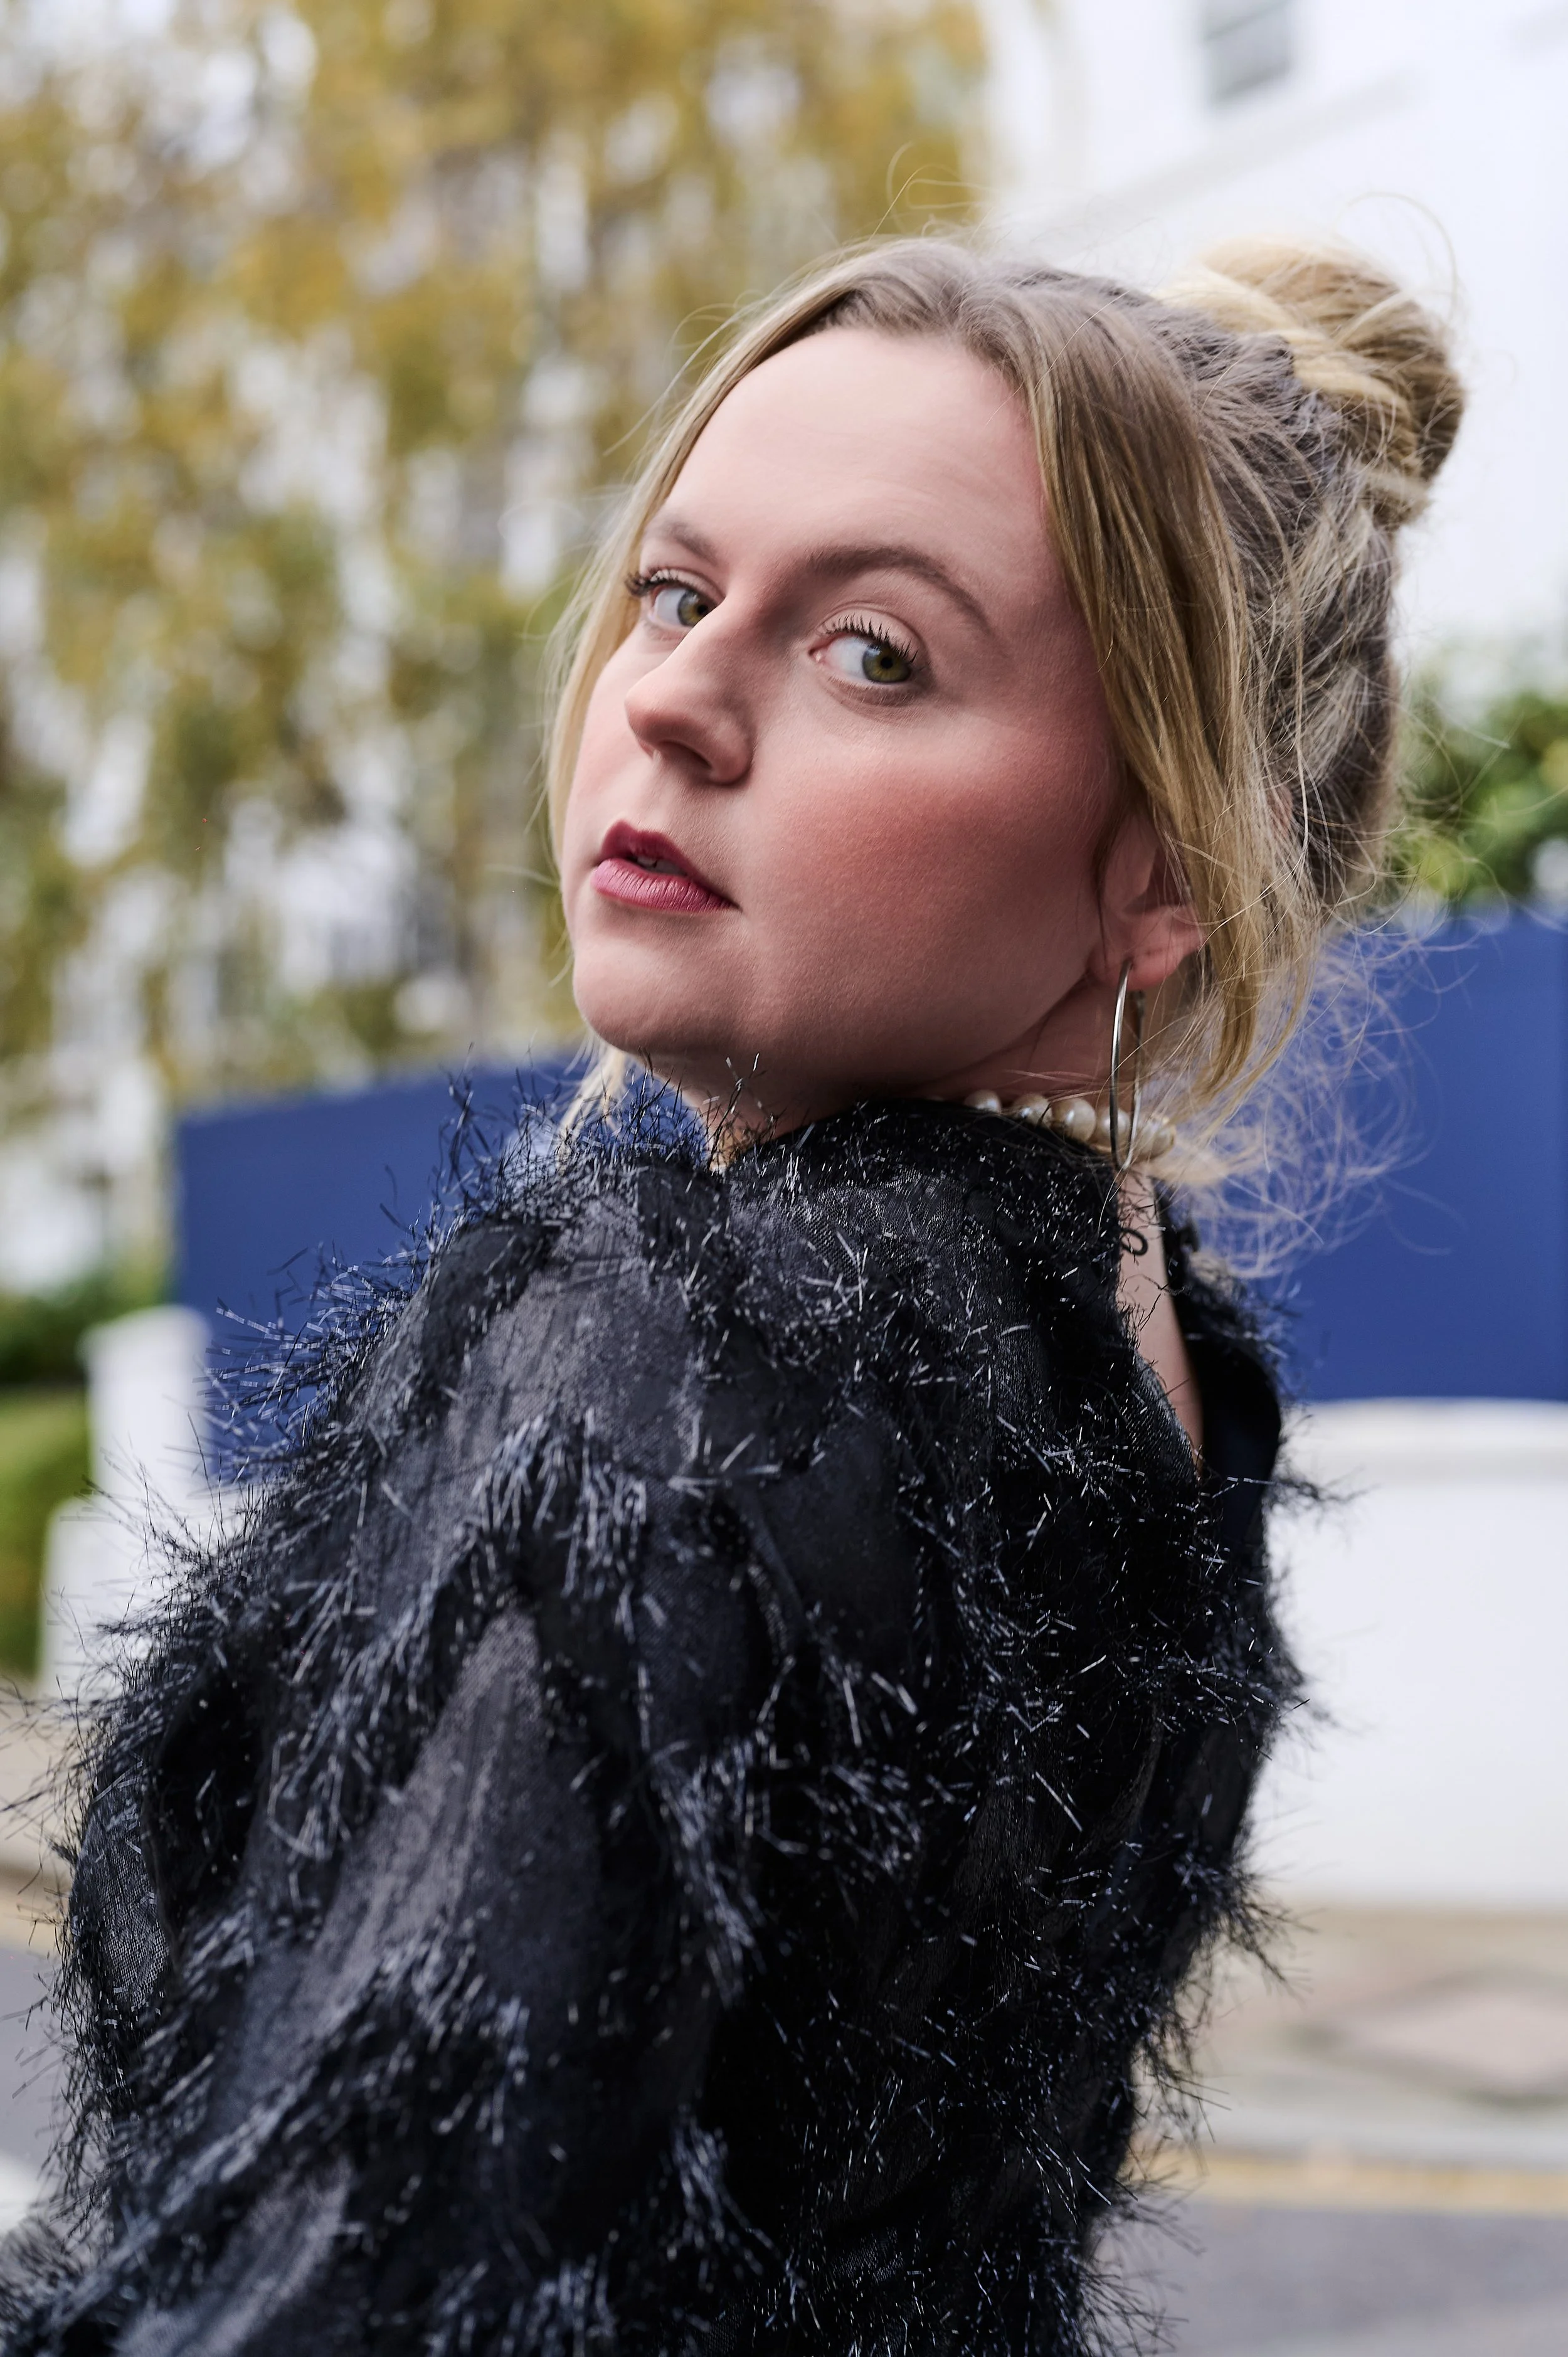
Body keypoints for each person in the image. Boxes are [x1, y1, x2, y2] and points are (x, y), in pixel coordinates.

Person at [4, 235, 1460, 2354]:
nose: (671, 695)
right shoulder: (1159, 1369)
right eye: (676, 594)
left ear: (1163, 860)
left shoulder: (667, 1347)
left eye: (874, 651)